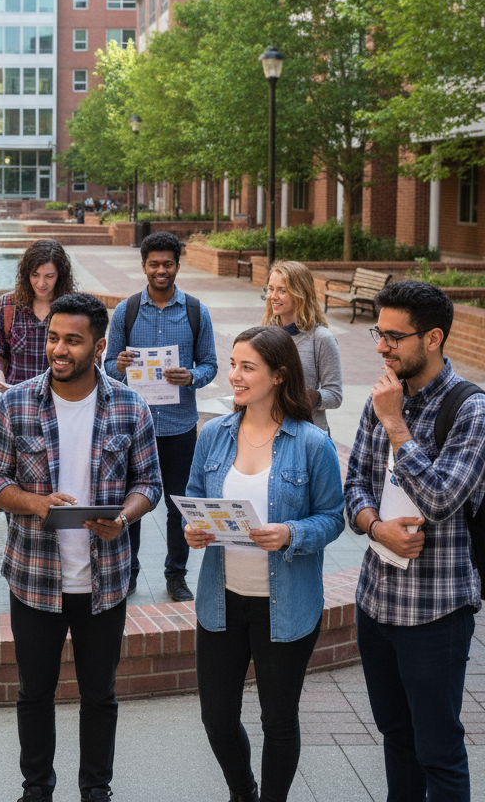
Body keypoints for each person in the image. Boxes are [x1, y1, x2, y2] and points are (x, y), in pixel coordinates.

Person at [0, 292, 161, 802]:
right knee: (34, 694)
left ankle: (94, 790)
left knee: (99, 695)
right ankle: (37, 789)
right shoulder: (16, 403)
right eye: (53, 337)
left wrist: (123, 517)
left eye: (72, 341)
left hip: (105, 583)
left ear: (99, 346)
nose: (58, 349)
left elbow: (150, 483)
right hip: (35, 579)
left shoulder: (130, 405)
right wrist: (36, 503)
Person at [184, 325, 344, 802]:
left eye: (246, 367)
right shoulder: (213, 434)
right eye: (233, 364)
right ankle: (243, 790)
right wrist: (194, 528)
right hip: (221, 602)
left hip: (287, 604)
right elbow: (195, 496)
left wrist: (292, 533)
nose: (234, 375)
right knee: (216, 717)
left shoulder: (312, 443)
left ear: (278, 375)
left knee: (278, 720)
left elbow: (333, 518)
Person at [344, 281, 485, 802]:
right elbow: (353, 482)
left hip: (436, 613)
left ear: (433, 338)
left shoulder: (471, 410)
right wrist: (374, 525)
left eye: (393, 337)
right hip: (375, 604)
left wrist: (396, 424)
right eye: (379, 333)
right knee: (396, 737)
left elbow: (443, 500)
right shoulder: (382, 395)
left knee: (439, 750)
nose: (380, 346)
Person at [103, 231, 218, 600]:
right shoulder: (127, 310)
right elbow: (107, 366)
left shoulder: (196, 311)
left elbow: (211, 364)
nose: (161, 270)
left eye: (167, 263)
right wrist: (118, 365)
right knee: (131, 504)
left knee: (178, 506)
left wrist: (192, 377)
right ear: (144, 266)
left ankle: (176, 574)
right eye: (154, 264)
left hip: (179, 426)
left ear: (177, 266)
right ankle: (130, 570)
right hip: (134, 429)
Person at [261, 260, 342, 434]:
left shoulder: (321, 338)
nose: (273, 296)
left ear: (300, 294)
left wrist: (313, 397)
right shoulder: (266, 333)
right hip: (270, 431)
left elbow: (335, 395)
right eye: (270, 289)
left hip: (309, 435)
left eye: (282, 290)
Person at [0, 239, 74, 392]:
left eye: (49, 276)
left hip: (60, 399)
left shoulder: (74, 308)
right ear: (26, 274)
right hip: (17, 399)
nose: (41, 283)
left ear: (60, 276)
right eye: (35, 275)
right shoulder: (7, 305)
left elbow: (89, 359)